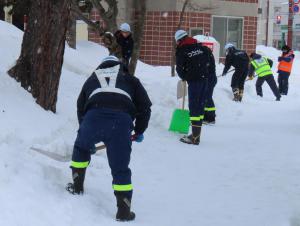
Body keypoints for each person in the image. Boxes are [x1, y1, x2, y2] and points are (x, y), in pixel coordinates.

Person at [66, 56, 152, 221]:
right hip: (121, 121)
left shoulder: (92, 79)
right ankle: (124, 211)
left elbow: (80, 106)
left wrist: (85, 134)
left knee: (80, 149)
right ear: (120, 65)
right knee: (120, 167)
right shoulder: (131, 79)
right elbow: (145, 107)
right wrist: (139, 131)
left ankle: (77, 186)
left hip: (93, 117)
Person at [175, 30, 211, 145]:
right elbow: (208, 60)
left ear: (179, 40)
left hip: (194, 81)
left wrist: (185, 76)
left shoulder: (182, 50)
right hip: (205, 79)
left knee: (194, 107)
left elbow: (179, 69)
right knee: (200, 107)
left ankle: (195, 138)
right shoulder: (200, 47)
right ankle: (196, 134)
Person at [203, 46, 217, 125]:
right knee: (205, 97)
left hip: (210, 79)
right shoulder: (208, 54)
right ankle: (206, 116)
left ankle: (211, 118)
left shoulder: (207, 56)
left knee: (208, 97)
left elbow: (206, 67)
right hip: (209, 78)